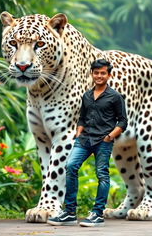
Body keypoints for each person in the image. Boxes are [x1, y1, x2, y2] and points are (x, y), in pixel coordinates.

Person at [47, 59, 127, 227]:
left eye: (102, 73)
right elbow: (82, 118)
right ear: (92, 74)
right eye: (96, 73)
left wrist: (110, 136)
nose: (99, 76)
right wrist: (78, 133)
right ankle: (69, 213)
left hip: (103, 141)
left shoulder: (115, 96)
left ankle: (97, 214)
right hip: (84, 140)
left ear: (108, 75)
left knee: (102, 175)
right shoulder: (87, 95)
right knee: (71, 167)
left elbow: (122, 121)